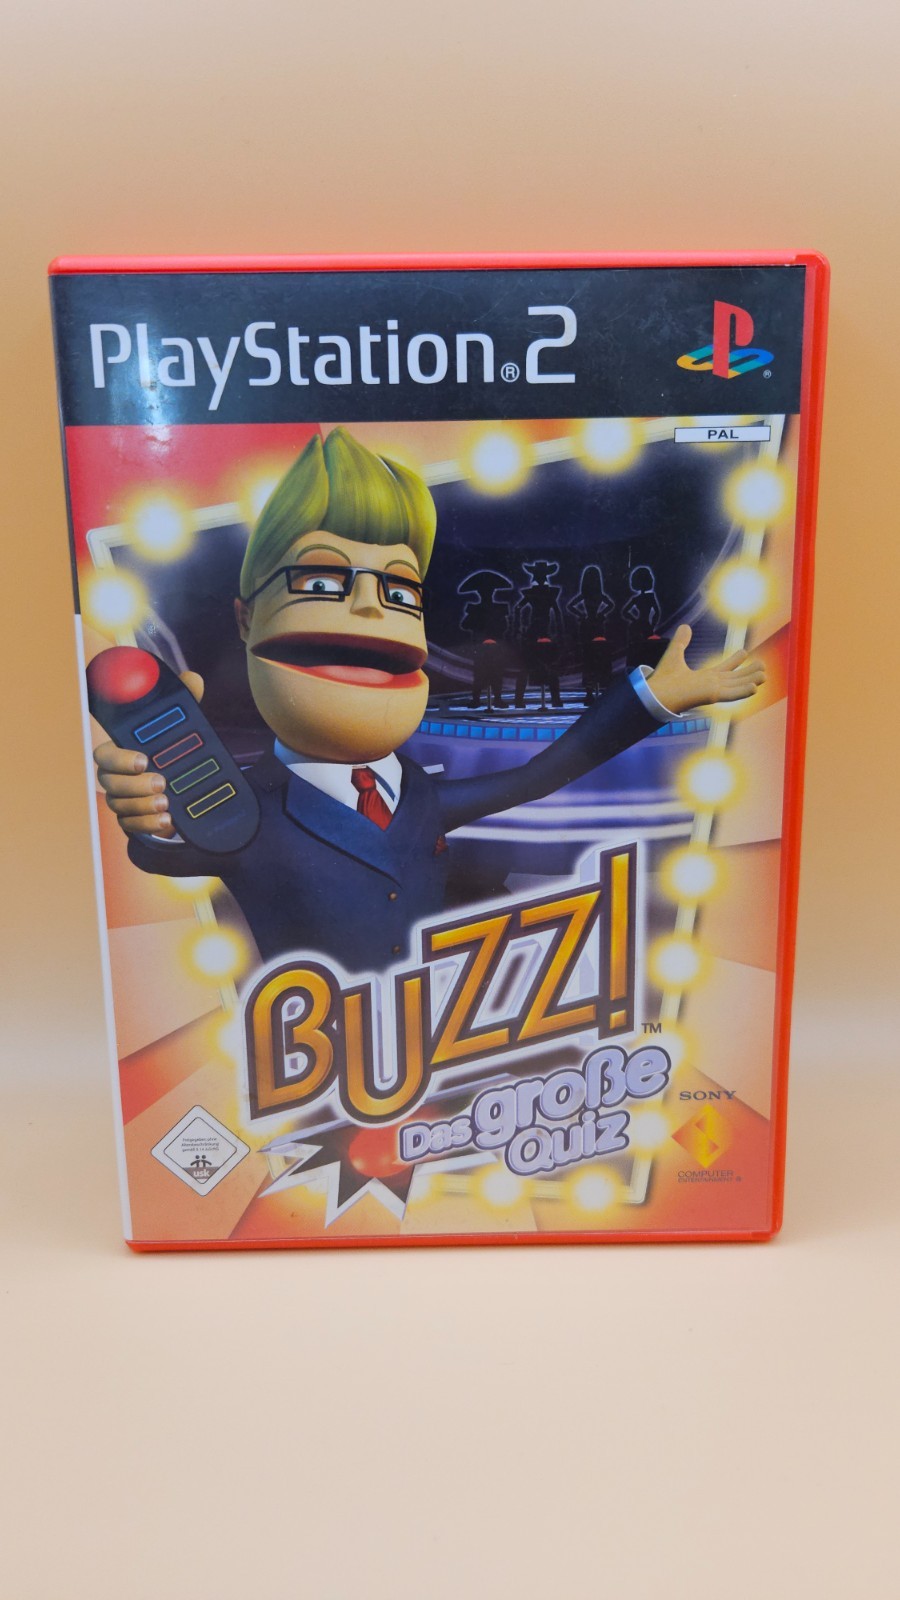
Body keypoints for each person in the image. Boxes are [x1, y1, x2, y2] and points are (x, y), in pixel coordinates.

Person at [93, 428, 765, 973]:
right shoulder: (239, 811)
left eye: (399, 590)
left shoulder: (416, 792)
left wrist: (650, 699)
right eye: (322, 581)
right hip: (316, 1066)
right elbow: (169, 851)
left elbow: (538, 776)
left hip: (431, 1045)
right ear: (245, 620)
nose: (369, 606)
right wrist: (154, 806)